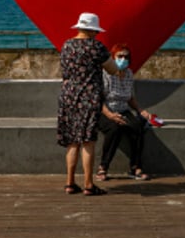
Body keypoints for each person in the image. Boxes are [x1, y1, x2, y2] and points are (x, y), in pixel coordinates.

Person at [58, 12, 120, 196]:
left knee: (72, 142)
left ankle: (69, 183)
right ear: (93, 31)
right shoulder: (96, 47)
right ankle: (88, 184)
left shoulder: (67, 45)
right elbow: (113, 69)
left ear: (79, 28)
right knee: (88, 141)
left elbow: (65, 72)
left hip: (68, 95)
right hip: (89, 96)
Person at [96, 42, 153, 181]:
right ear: (113, 57)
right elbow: (98, 99)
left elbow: (130, 98)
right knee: (114, 128)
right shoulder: (105, 73)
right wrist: (110, 115)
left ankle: (136, 167)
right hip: (104, 110)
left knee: (137, 127)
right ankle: (103, 167)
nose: (123, 59)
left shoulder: (128, 74)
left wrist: (141, 111)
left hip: (123, 109)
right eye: (119, 56)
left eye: (126, 57)